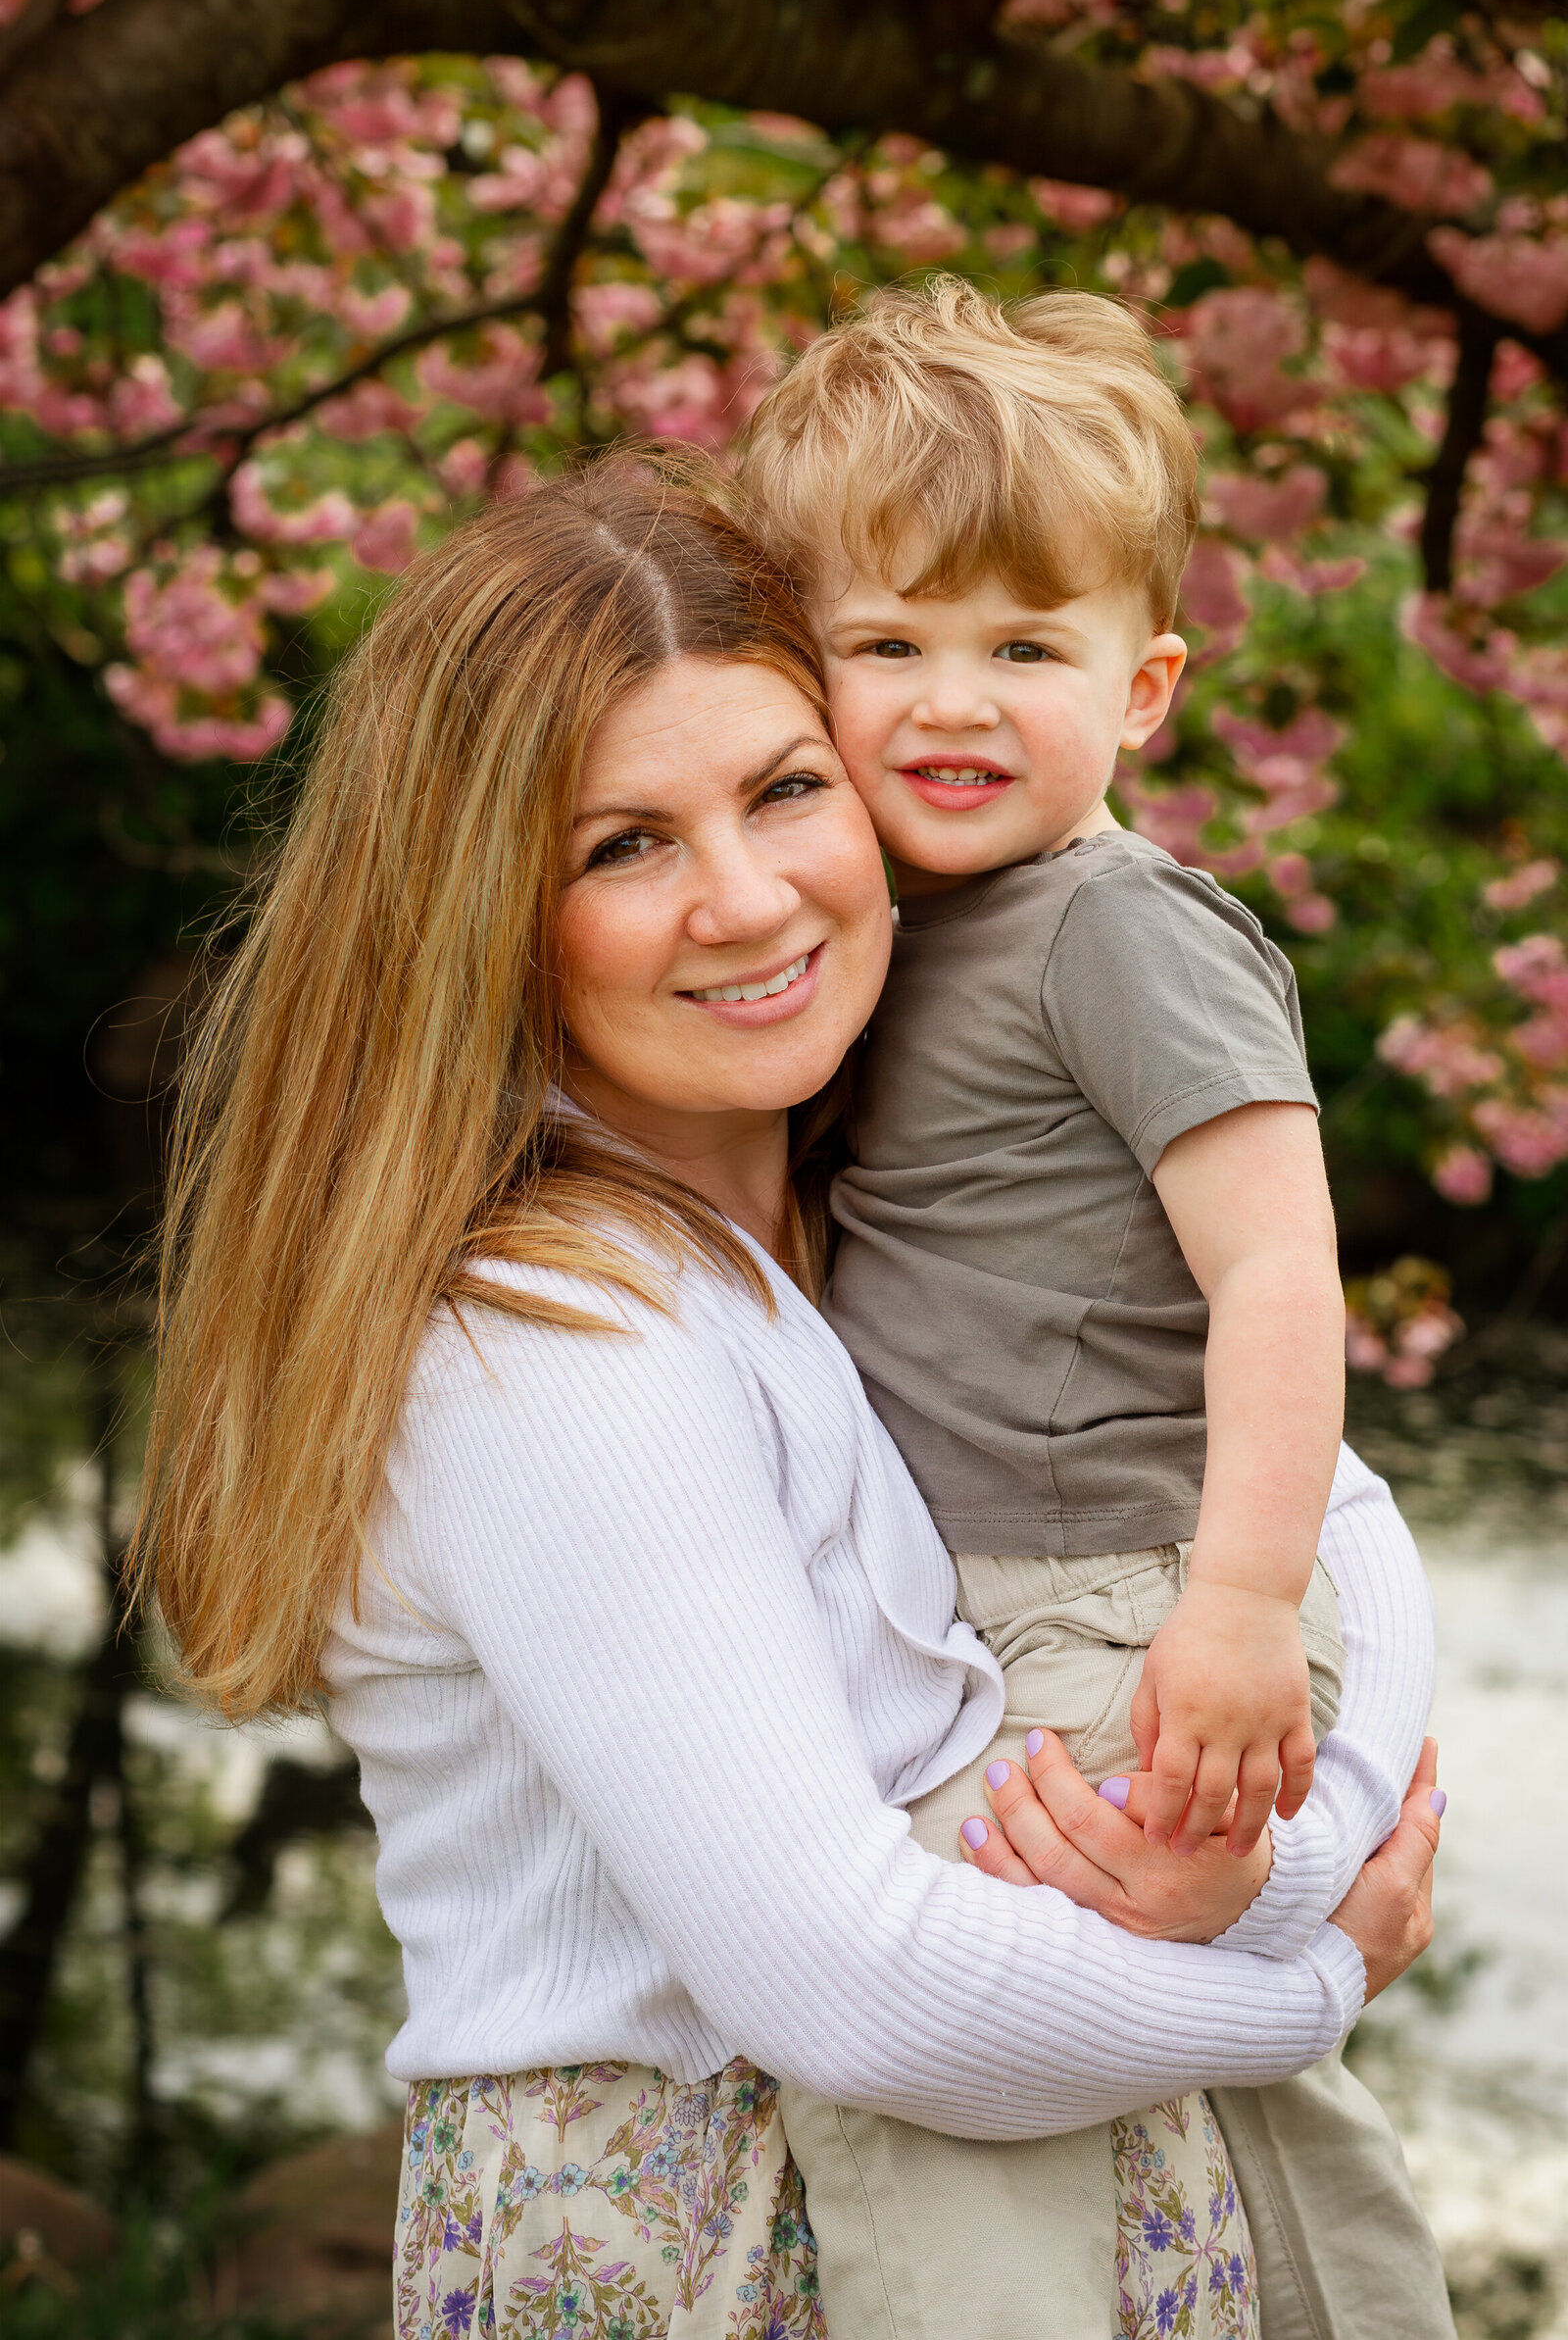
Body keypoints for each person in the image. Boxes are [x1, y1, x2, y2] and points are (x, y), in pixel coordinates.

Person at [134, 451, 1443, 2340]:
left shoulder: (864, 1240)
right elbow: (854, 1984)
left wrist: (1308, 1847)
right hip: (713, 2254)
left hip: (1065, 2186)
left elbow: (1344, 1510)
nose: (745, 899)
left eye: (783, 790)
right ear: (481, 908)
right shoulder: (553, 1340)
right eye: (622, 844)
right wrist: (1317, 1959)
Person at [739, 277, 1452, 2336]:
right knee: (1217, 2061)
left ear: (1137, 689)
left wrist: (1233, 1608)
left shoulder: (1112, 929)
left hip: (1119, 1590)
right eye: (886, 646)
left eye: (1019, 648)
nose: (950, 702)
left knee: (951, 2054)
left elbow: (1273, 1272)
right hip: (1014, 1588)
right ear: (805, 675)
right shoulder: (888, 928)